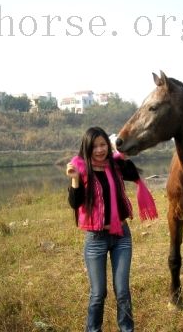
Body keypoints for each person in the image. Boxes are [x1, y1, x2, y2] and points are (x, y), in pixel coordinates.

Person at [66, 126, 157, 332]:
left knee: (122, 291)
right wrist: (74, 179)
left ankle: (127, 329)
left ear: (108, 144)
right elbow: (74, 202)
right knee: (98, 293)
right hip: (96, 238)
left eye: (103, 144)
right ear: (87, 148)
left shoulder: (115, 166)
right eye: (95, 146)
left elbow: (133, 174)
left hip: (121, 236)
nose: (100, 150)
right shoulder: (81, 169)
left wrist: (122, 156)